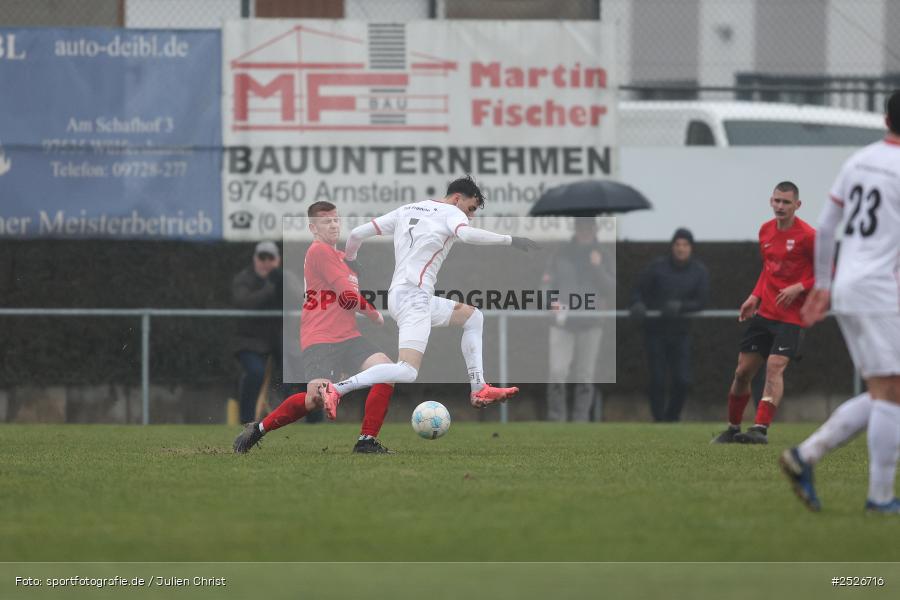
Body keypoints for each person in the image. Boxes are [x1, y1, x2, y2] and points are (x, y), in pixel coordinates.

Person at [317, 175, 539, 418]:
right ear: (457, 199)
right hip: (414, 298)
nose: (470, 216)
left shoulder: (407, 210)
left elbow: (357, 234)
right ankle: (337, 389)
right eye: (471, 208)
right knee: (407, 371)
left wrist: (350, 261)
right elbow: (466, 235)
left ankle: (479, 388)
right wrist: (510, 240)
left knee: (473, 317)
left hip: (402, 295)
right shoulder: (451, 212)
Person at [780, 91, 900, 514]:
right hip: (881, 292)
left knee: (886, 390)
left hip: (852, 284)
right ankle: (881, 497)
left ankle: (805, 456)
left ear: (886, 118)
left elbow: (828, 227)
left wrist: (825, 285)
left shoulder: (859, 161)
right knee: (890, 392)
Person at [233, 201, 397, 454]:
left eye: (335, 219)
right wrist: (375, 314)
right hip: (321, 338)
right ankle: (258, 429)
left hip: (349, 336)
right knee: (315, 400)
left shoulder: (342, 258)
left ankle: (366, 441)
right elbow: (347, 296)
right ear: (313, 228)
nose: (332, 224)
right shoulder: (319, 251)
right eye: (325, 221)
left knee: (387, 372)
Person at [712, 181, 815, 444]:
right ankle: (733, 428)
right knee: (742, 372)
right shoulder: (765, 231)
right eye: (777, 201)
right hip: (765, 314)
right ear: (771, 201)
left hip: (791, 318)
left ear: (797, 205)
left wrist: (800, 287)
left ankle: (760, 428)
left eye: (786, 202)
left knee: (774, 368)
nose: (780, 206)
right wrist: (754, 296)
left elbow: (830, 272)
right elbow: (768, 269)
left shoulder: (809, 236)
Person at [630, 227, 709, 422]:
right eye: (678, 244)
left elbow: (702, 301)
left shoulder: (699, 272)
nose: (681, 249)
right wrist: (638, 304)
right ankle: (659, 420)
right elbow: (638, 290)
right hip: (655, 331)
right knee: (657, 378)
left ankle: (672, 416)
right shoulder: (657, 267)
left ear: (691, 248)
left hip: (681, 332)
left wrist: (681, 306)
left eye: (685, 245)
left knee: (682, 380)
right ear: (672, 247)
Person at [542, 217, 616, 422]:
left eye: (588, 226)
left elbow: (610, 288)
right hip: (563, 322)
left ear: (594, 229)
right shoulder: (561, 252)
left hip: (591, 324)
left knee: (585, 375)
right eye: (581, 226)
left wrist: (597, 267)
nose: (585, 230)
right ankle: (556, 419)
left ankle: (580, 420)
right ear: (576, 228)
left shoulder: (603, 255)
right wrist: (550, 301)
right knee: (557, 372)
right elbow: (547, 283)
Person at [231, 240, 293, 424]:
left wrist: (282, 283)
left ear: (278, 260)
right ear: (254, 259)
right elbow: (244, 302)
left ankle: (313, 421)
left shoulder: (285, 277)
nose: (266, 262)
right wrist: (269, 289)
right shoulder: (244, 278)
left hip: (278, 338)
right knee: (255, 372)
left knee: (299, 371)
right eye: (262, 257)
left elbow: (302, 298)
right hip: (249, 339)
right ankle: (247, 421)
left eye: (270, 257)